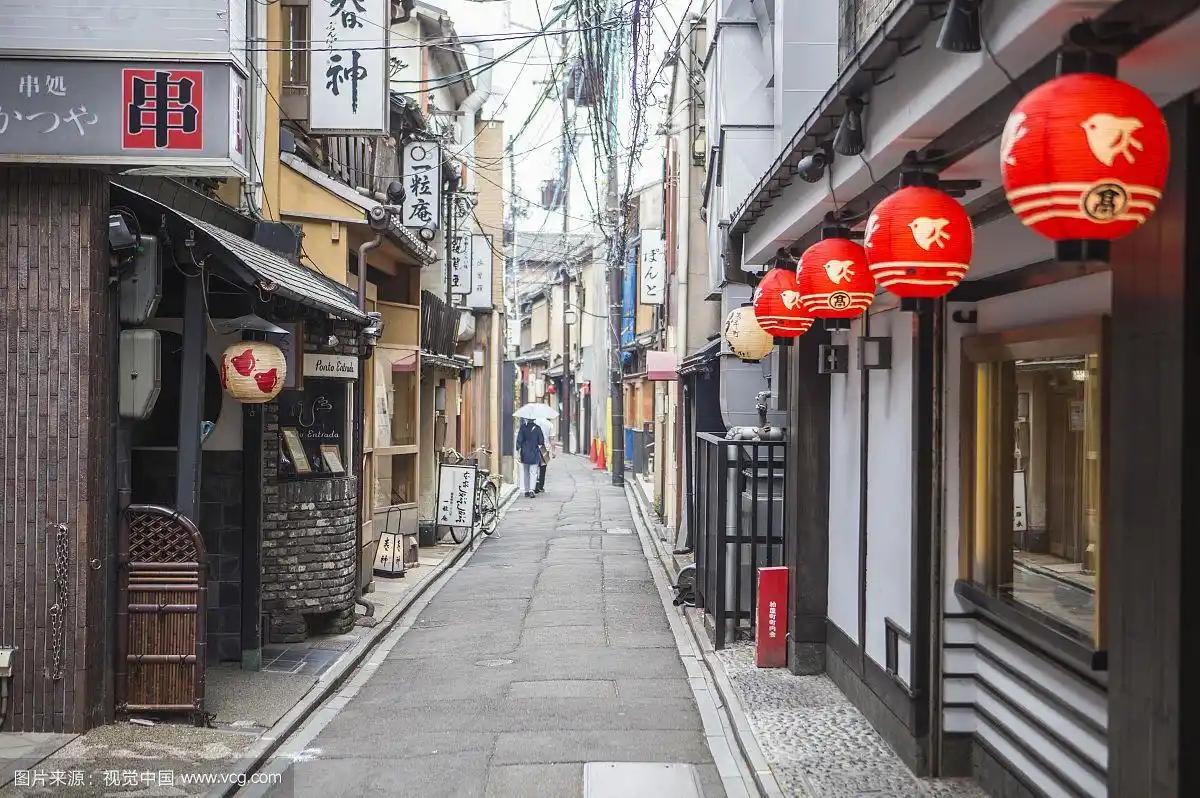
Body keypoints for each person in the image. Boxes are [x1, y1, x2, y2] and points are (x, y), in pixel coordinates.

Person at [515, 417, 545, 498]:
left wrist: (518, 450)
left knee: (526, 472)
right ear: (534, 419)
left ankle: (526, 490)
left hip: (524, 452)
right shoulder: (538, 428)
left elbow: (519, 441)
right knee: (534, 472)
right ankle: (532, 490)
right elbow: (541, 441)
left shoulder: (523, 427)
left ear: (526, 419)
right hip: (534, 452)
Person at [534, 416, 554, 493]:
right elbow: (552, 438)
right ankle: (541, 486)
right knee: (543, 468)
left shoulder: (535, 422)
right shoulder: (549, 424)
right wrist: (554, 451)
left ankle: (535, 485)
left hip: (535, 447)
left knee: (534, 467)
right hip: (545, 448)